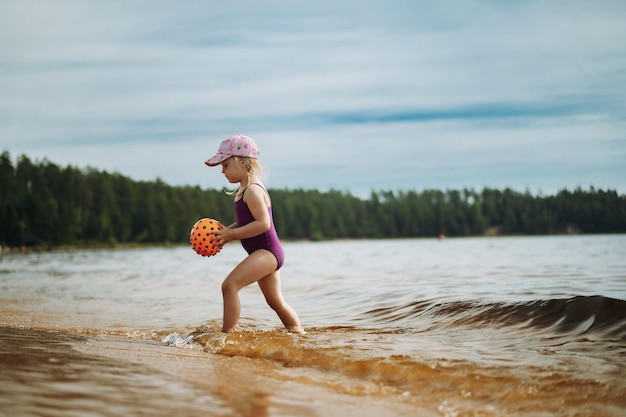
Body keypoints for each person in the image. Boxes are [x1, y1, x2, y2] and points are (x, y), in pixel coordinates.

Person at [205, 134, 304, 334]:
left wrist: (232, 236)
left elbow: (263, 224)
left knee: (229, 286)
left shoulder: (252, 191)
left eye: (225, 165)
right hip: (265, 253)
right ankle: (298, 332)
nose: (223, 171)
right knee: (275, 301)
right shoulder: (244, 190)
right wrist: (227, 231)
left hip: (267, 253)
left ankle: (226, 336)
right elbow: (246, 222)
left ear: (242, 163)